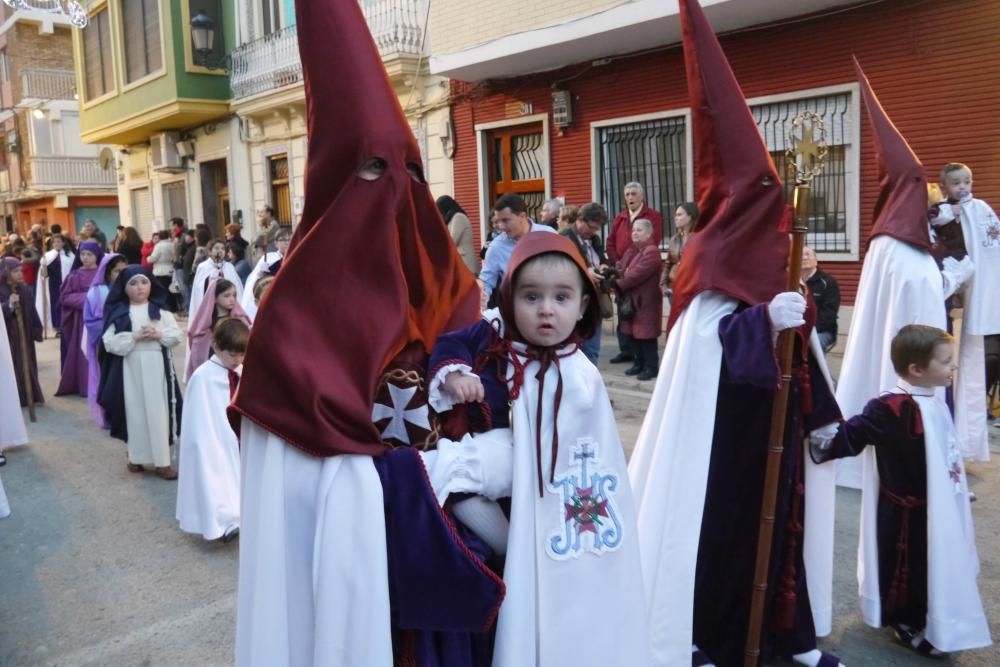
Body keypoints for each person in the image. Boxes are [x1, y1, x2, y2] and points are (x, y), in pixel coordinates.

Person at [230, 0, 498, 662]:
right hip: (347, 574)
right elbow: (288, 491)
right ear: (329, 185)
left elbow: (500, 393)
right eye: (371, 170)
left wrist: (478, 447)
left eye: (407, 171)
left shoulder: (451, 290)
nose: (393, 193)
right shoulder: (288, 329)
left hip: (449, 563)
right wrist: (391, 480)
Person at [628, 3, 843, 666]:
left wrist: (819, 410)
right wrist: (755, 322)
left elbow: (802, 351)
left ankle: (790, 634)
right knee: (720, 535)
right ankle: (712, 637)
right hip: (721, 443)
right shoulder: (711, 256)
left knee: (782, 532)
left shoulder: (776, 256)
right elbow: (702, 343)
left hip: (771, 430)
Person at [427, 232, 651, 666]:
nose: (546, 309)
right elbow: (451, 345)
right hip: (500, 502)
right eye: (531, 297)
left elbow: (594, 458)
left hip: (565, 515)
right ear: (510, 298)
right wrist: (455, 377)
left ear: (583, 305)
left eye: (561, 297)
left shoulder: (583, 377)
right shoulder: (495, 336)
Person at [810, 325, 991, 657]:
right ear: (916, 369)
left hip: (935, 509)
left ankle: (931, 618)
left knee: (935, 566)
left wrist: (956, 492)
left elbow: (944, 456)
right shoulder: (889, 407)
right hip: (903, 514)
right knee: (907, 567)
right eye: (945, 362)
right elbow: (849, 437)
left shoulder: (935, 402)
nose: (952, 368)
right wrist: (815, 428)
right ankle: (905, 622)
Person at [928, 162, 1000, 461]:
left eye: (967, 180)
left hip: (988, 283)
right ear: (946, 187)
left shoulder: (982, 207)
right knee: (967, 356)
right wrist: (951, 212)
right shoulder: (944, 211)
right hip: (964, 285)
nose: (964, 186)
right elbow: (935, 219)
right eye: (956, 182)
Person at [99, 266, 183, 480]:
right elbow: (108, 342)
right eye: (133, 284)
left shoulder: (160, 311)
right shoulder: (119, 312)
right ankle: (135, 456)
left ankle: (162, 461)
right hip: (130, 369)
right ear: (124, 288)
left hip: (157, 366)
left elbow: (176, 335)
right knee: (135, 412)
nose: (140, 288)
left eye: (144, 282)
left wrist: (158, 333)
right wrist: (134, 336)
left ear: (151, 284)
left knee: (158, 412)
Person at [176, 317, 249, 542]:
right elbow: (198, 417)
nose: (237, 360)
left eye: (241, 354)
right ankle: (221, 523)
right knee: (216, 478)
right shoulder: (203, 377)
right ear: (216, 347)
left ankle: (241, 518)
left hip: (239, 436)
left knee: (240, 478)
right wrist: (206, 442)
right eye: (232, 354)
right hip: (213, 439)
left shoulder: (242, 371)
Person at [606, 182, 663, 365]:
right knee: (625, 320)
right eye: (627, 194)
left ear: (641, 196)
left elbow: (653, 239)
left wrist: (620, 277)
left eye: (633, 194)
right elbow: (610, 242)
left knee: (642, 327)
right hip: (625, 278)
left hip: (640, 286)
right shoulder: (620, 217)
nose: (630, 197)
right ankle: (628, 353)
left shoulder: (652, 217)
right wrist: (617, 266)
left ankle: (647, 364)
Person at [479, 193, 556, 308]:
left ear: (522, 216)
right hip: (517, 313)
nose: (501, 226)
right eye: (498, 221)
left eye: (505, 220)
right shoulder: (496, 247)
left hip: (551, 306)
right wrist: (479, 309)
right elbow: (485, 283)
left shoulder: (549, 235)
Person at [613, 218, 663, 380]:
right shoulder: (633, 250)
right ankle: (639, 363)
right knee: (633, 335)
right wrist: (612, 272)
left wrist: (617, 284)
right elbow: (620, 267)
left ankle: (651, 367)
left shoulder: (652, 251)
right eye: (633, 229)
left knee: (646, 336)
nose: (634, 232)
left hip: (645, 301)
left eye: (639, 230)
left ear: (648, 233)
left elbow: (637, 275)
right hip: (631, 301)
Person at [561, 202, 609, 364]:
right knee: (574, 349)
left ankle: (590, 385)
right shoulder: (565, 238)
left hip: (593, 300)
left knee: (592, 350)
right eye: (592, 227)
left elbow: (601, 259)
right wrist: (585, 272)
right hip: (574, 302)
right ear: (581, 219)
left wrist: (603, 266)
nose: (594, 232)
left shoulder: (595, 240)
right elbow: (560, 268)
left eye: (597, 229)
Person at [55, 241, 104, 397]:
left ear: (97, 256)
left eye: (89, 254)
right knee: (83, 351)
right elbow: (65, 297)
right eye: (82, 254)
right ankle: (85, 384)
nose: (85, 258)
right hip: (81, 321)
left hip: (101, 318)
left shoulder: (103, 273)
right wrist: (89, 299)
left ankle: (102, 383)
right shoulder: (75, 275)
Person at [84, 254, 126, 427]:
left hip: (129, 345)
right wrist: (112, 328)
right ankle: (110, 415)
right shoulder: (96, 293)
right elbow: (90, 321)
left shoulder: (132, 289)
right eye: (117, 271)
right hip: (106, 346)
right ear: (107, 273)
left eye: (125, 271)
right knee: (109, 381)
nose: (122, 275)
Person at [185, 277, 250, 380]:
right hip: (213, 373)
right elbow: (199, 348)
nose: (232, 299)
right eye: (226, 295)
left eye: (234, 295)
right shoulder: (206, 326)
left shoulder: (241, 320)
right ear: (214, 298)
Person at [0, 258, 43, 407]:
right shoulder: (1, 290)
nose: (20, 274)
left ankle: (29, 395)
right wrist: (8, 305)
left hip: (25, 334)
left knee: (27, 363)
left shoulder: (25, 289)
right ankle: (15, 397)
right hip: (8, 337)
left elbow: (32, 311)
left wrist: (37, 328)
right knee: (13, 364)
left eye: (21, 271)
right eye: (15, 271)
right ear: (6, 273)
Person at [189, 239, 243, 322]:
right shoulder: (203, 267)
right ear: (210, 252)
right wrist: (212, 277)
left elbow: (236, 286)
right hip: (210, 307)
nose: (220, 251)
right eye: (216, 248)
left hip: (227, 306)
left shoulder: (229, 266)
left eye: (222, 248)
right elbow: (198, 288)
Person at [35, 233, 76, 336]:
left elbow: (73, 270)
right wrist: (43, 268)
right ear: (52, 244)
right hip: (53, 285)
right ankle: (58, 326)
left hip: (66, 284)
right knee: (55, 304)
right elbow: (43, 274)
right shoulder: (47, 256)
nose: (57, 244)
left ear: (63, 243)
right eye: (54, 242)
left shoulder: (70, 256)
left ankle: (67, 325)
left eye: (59, 241)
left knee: (65, 304)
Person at [801, 246, 840, 353]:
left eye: (808, 254)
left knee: (811, 348)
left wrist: (808, 331)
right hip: (797, 330)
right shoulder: (791, 281)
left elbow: (829, 314)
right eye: (800, 255)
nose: (804, 258)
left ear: (816, 260)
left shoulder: (828, 282)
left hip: (821, 331)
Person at [661, 202, 696, 300]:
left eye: (679, 215)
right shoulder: (674, 239)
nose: (675, 218)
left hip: (691, 289)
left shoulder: (699, 238)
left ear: (690, 217)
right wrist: (663, 285)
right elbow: (668, 264)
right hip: (673, 288)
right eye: (675, 215)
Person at [436, 195, 479, 275]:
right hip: (461, 262)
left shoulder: (458, 217)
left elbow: (452, 240)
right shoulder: (453, 218)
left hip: (465, 262)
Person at [148, 229, 176, 310]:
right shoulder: (172, 244)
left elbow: (153, 258)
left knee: (162, 290)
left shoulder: (159, 246)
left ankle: (165, 306)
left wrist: (148, 258)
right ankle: (173, 307)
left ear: (160, 237)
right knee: (170, 289)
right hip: (170, 269)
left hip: (160, 271)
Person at [175, 228, 196, 314]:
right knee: (184, 290)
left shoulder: (194, 247)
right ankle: (187, 308)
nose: (186, 238)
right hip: (183, 269)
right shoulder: (184, 246)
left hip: (187, 271)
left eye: (188, 236)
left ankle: (188, 309)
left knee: (186, 290)